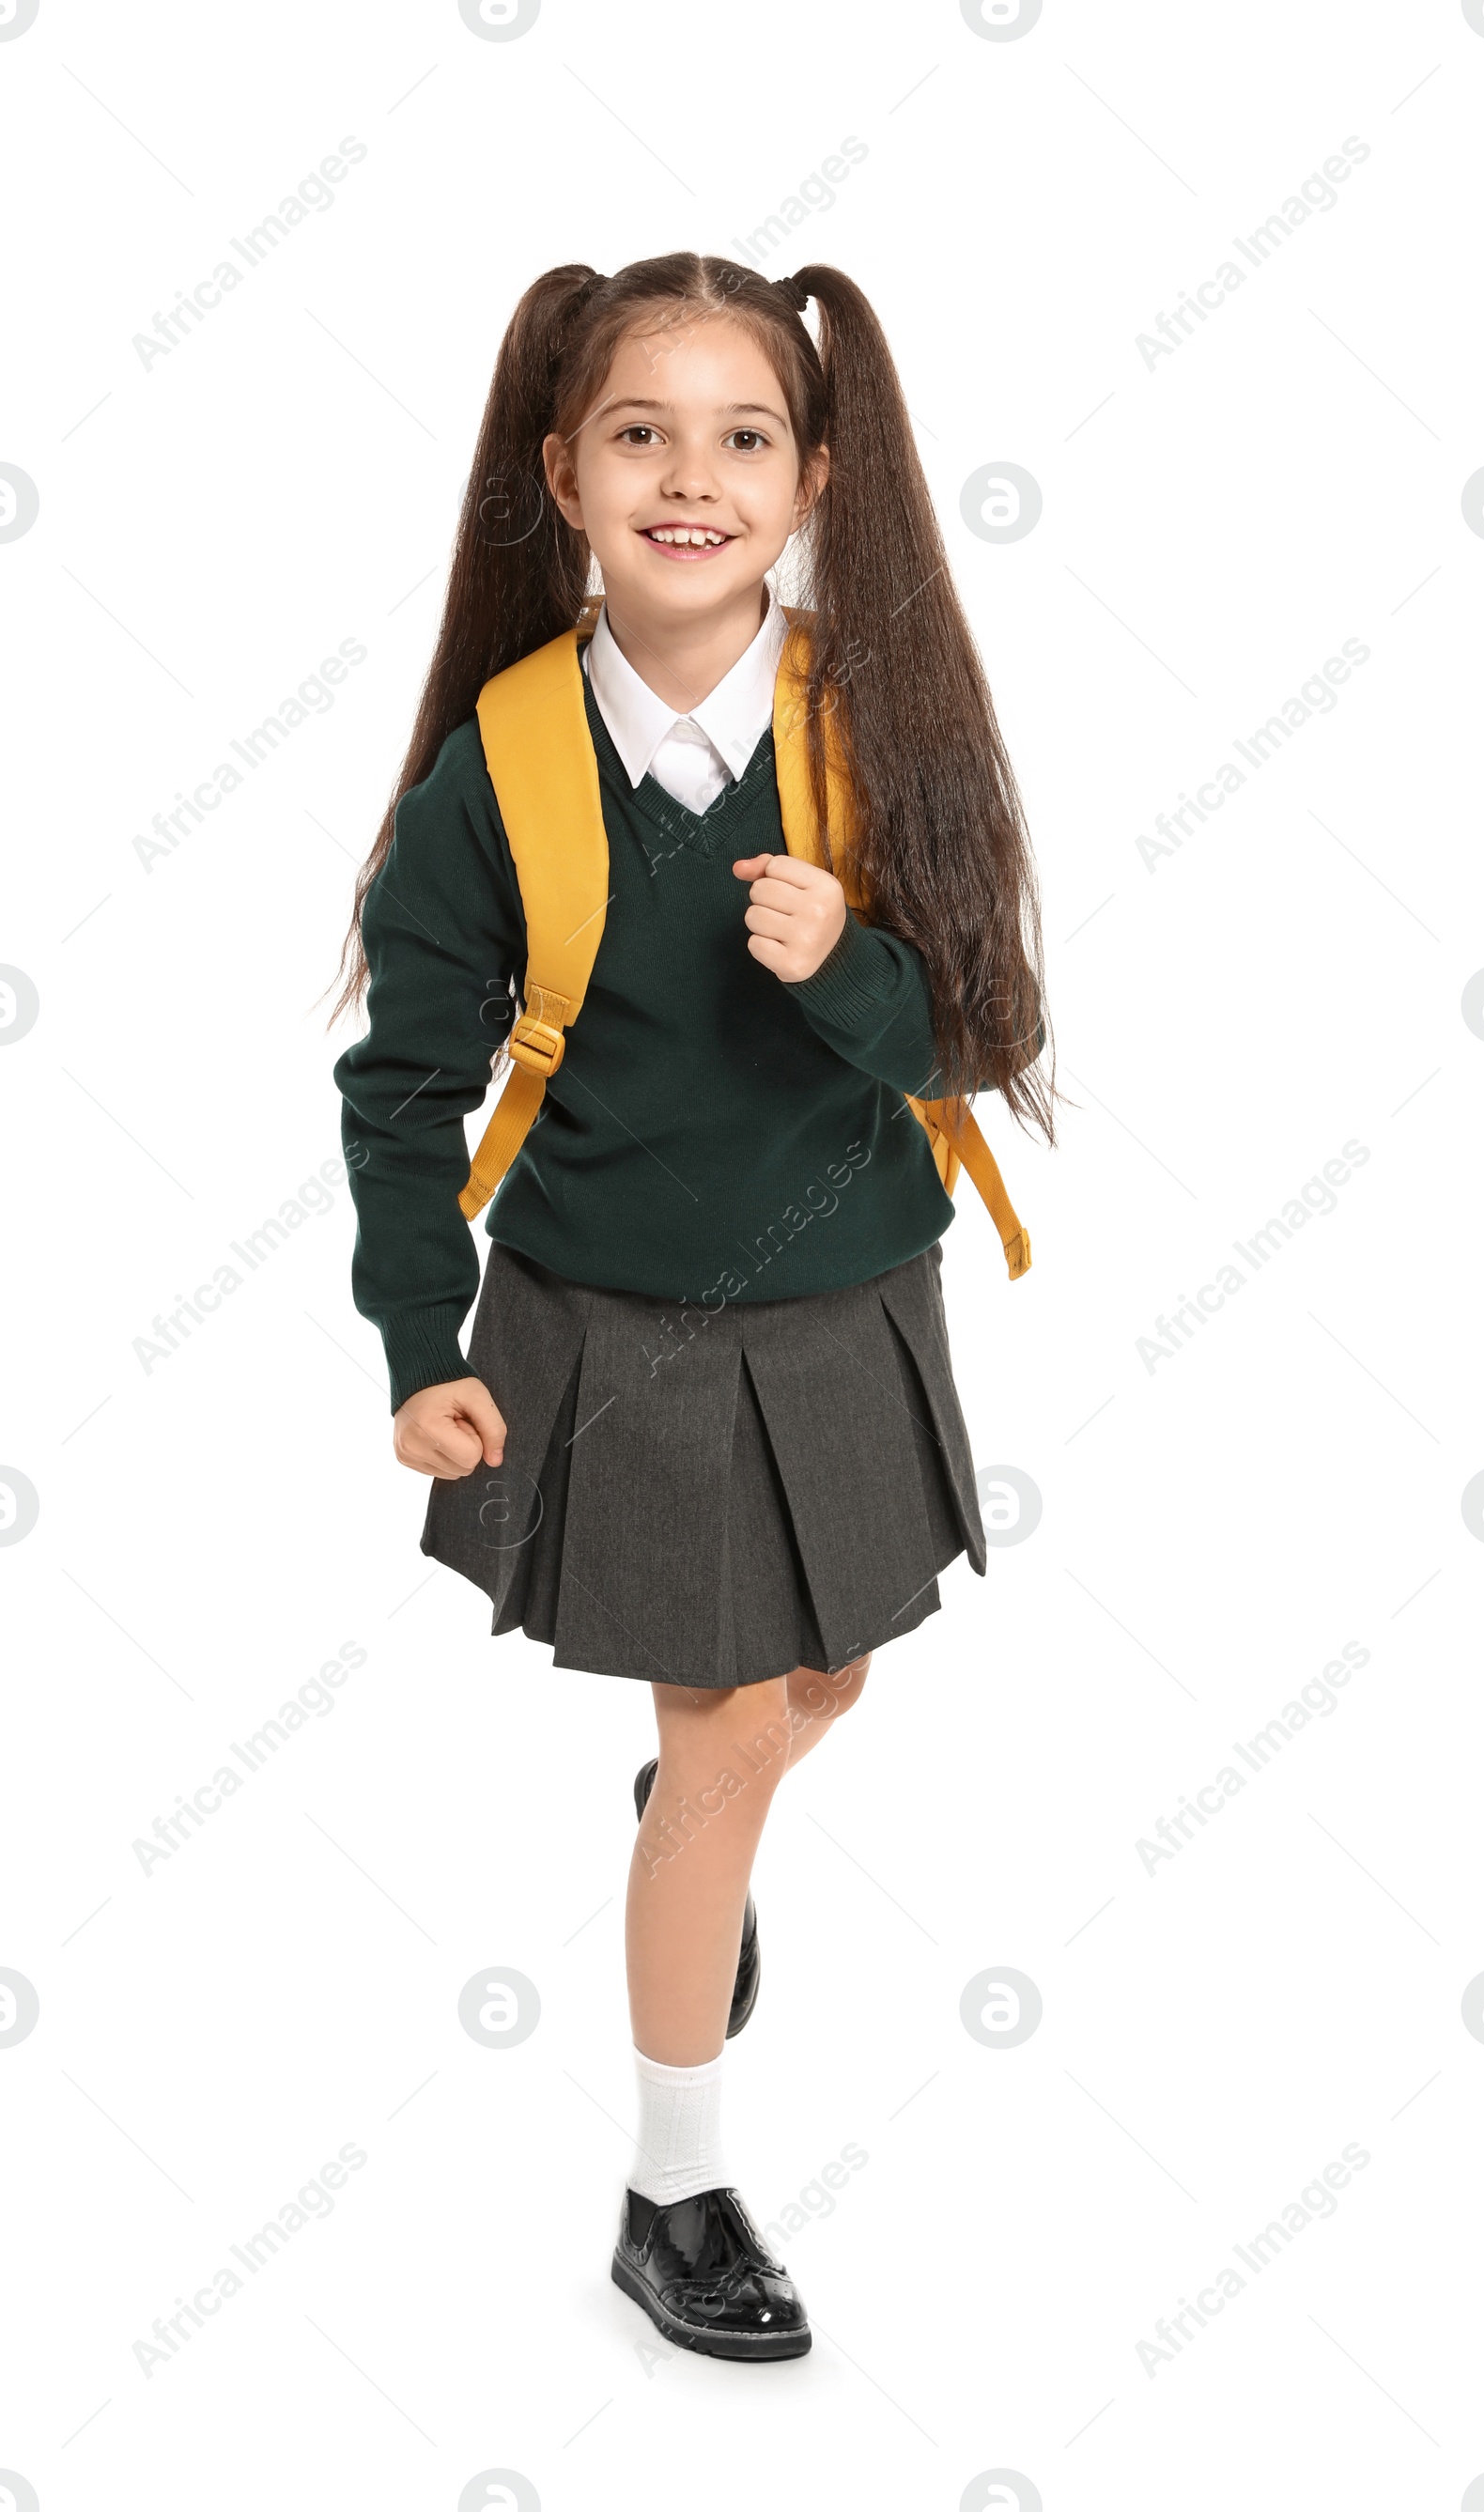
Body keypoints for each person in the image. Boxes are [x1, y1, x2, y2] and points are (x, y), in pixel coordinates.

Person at [330, 252, 1053, 2362]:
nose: (687, 476)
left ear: (810, 475)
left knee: (812, 1684)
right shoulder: (501, 767)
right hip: (614, 1323)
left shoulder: (878, 719)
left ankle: (689, 1844)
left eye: (740, 436)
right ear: (561, 470)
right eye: (639, 432)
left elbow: (972, 1027)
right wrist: (416, 1344)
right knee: (733, 1722)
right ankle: (676, 2186)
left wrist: (844, 960)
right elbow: (403, 1081)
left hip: (847, 1299)